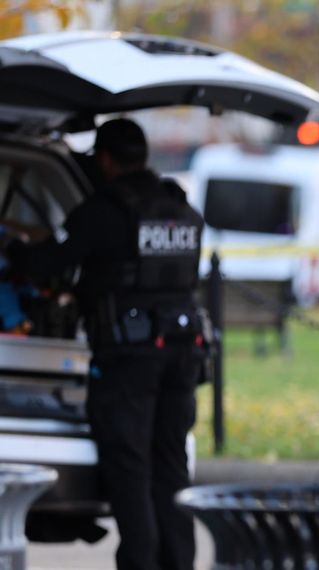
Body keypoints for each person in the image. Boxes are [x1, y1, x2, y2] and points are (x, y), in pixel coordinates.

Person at [8, 118, 205, 570]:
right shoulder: (179, 208)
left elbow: (47, 264)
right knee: (170, 469)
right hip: (183, 353)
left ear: (105, 160)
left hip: (129, 359)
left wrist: (16, 251)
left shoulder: (104, 210)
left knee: (130, 472)